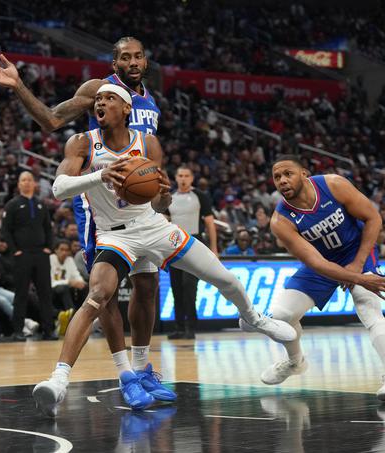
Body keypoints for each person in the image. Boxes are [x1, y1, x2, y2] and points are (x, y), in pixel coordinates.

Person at [31, 84, 297, 417]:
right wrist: (100, 175)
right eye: (97, 99)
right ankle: (58, 381)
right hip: (115, 237)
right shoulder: (83, 142)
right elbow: (58, 188)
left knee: (221, 277)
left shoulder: (148, 143)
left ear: (127, 109)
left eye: (109, 98)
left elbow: (155, 198)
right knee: (97, 294)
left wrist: (164, 197)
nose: (100, 102)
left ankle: (255, 318)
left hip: (154, 227)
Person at [0, 37, 166, 403]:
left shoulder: (150, 100)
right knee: (105, 291)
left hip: (141, 208)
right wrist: (18, 86)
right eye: (124, 57)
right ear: (114, 63)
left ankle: (144, 369)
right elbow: (51, 119)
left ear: (145, 62)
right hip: (101, 205)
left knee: (147, 286)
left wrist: (160, 199)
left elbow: (150, 161)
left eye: (138, 56)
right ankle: (125, 374)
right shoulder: (99, 90)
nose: (132, 62)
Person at [260, 155, 385, 402]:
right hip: (321, 263)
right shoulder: (280, 221)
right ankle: (295, 361)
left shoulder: (334, 185)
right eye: (277, 177)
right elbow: (316, 263)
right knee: (281, 316)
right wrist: (358, 277)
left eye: (288, 173)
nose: (282, 180)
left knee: (368, 306)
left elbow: (373, 218)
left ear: (304, 174)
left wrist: (359, 267)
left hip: (357, 252)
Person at [0, 172, 57, 340]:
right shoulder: (12, 205)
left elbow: (48, 228)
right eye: (23, 180)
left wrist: (49, 247)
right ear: (18, 184)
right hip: (22, 254)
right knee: (21, 293)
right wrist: (14, 250)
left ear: (34, 184)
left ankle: (49, 329)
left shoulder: (41, 205)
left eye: (29, 180)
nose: (26, 183)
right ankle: (18, 330)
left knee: (45, 292)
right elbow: (5, 230)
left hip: (41, 254)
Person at [167, 165, 218, 340]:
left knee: (189, 286)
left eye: (186, 175)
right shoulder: (169, 197)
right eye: (180, 175)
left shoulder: (200, 196)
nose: (183, 178)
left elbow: (210, 223)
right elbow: (164, 223)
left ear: (192, 178)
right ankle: (179, 327)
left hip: (194, 244)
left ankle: (191, 326)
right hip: (173, 246)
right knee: (176, 288)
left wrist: (214, 248)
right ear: (175, 178)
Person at [50, 239, 87, 336]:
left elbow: (76, 275)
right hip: (52, 291)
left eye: (67, 250)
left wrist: (81, 283)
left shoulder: (69, 260)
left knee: (84, 287)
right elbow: (51, 282)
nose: (64, 252)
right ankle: (72, 318)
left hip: (66, 289)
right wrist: (69, 282)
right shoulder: (50, 259)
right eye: (62, 250)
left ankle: (85, 318)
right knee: (64, 288)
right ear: (56, 250)